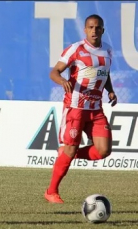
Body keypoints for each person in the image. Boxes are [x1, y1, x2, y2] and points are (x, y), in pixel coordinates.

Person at [44, 14, 117, 204]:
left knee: (103, 150)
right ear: (85, 30)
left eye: (98, 27)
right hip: (75, 108)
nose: (94, 30)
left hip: (96, 109)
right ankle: (51, 191)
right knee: (69, 148)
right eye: (91, 27)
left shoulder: (108, 51)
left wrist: (110, 91)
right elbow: (54, 71)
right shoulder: (76, 49)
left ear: (103, 30)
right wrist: (62, 81)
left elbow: (104, 74)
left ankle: (70, 153)